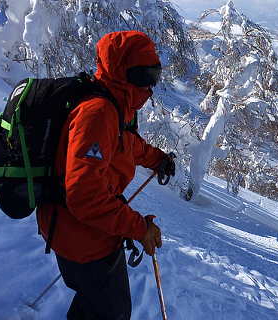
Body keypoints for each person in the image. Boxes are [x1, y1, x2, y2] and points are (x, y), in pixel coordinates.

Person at [35, 30, 174, 320]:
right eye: (146, 76)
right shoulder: (99, 113)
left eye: (156, 76)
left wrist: (158, 160)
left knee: (93, 304)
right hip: (83, 238)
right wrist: (139, 227)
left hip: (76, 231)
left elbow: (127, 145)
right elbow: (84, 196)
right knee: (111, 314)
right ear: (125, 73)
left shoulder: (113, 105)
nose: (151, 87)